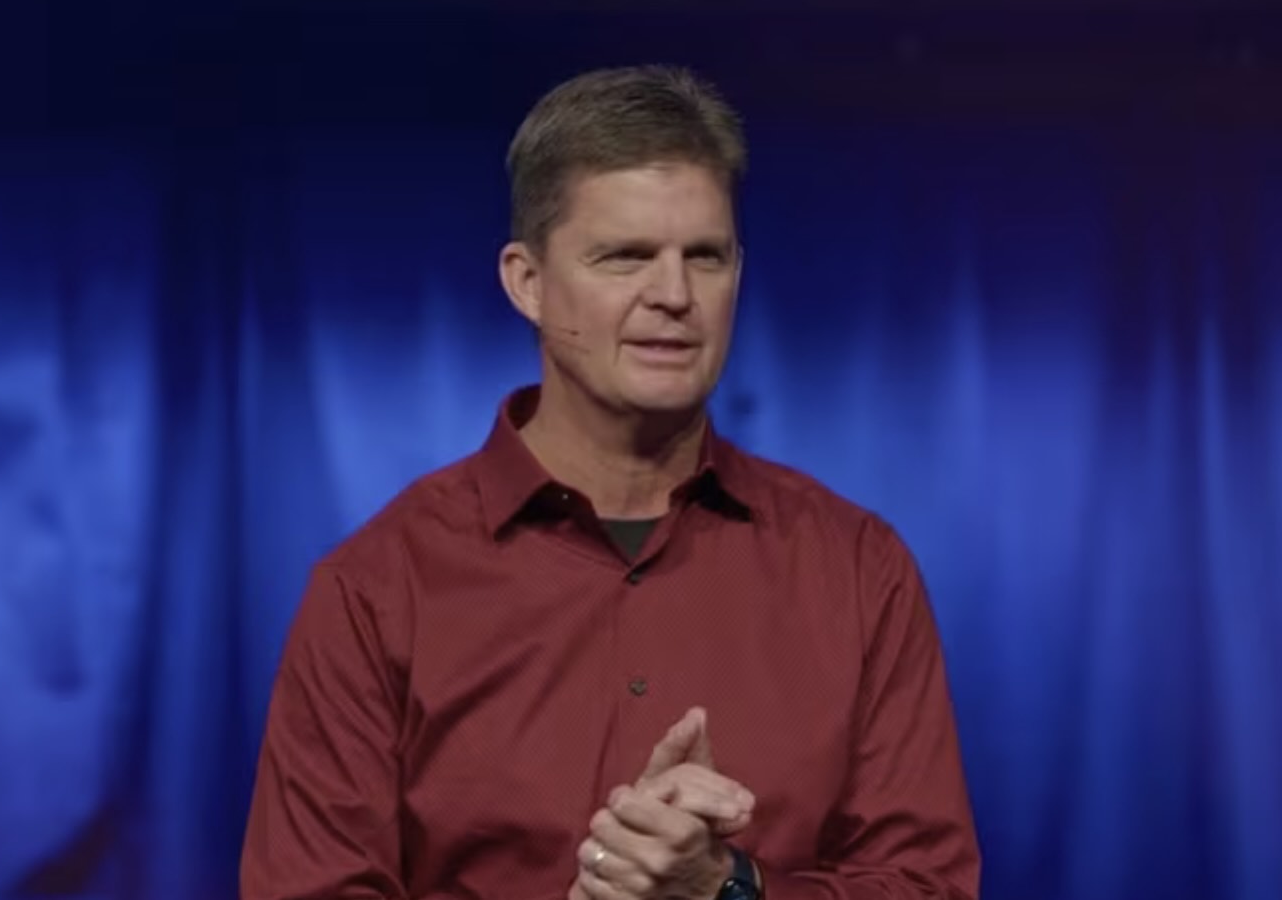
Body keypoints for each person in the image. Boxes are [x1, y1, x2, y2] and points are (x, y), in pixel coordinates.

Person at [240, 65, 980, 900]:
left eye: (705, 257)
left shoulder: (856, 569)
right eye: (625, 257)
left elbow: (928, 886)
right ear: (527, 281)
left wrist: (727, 889)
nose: (674, 295)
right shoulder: (377, 591)